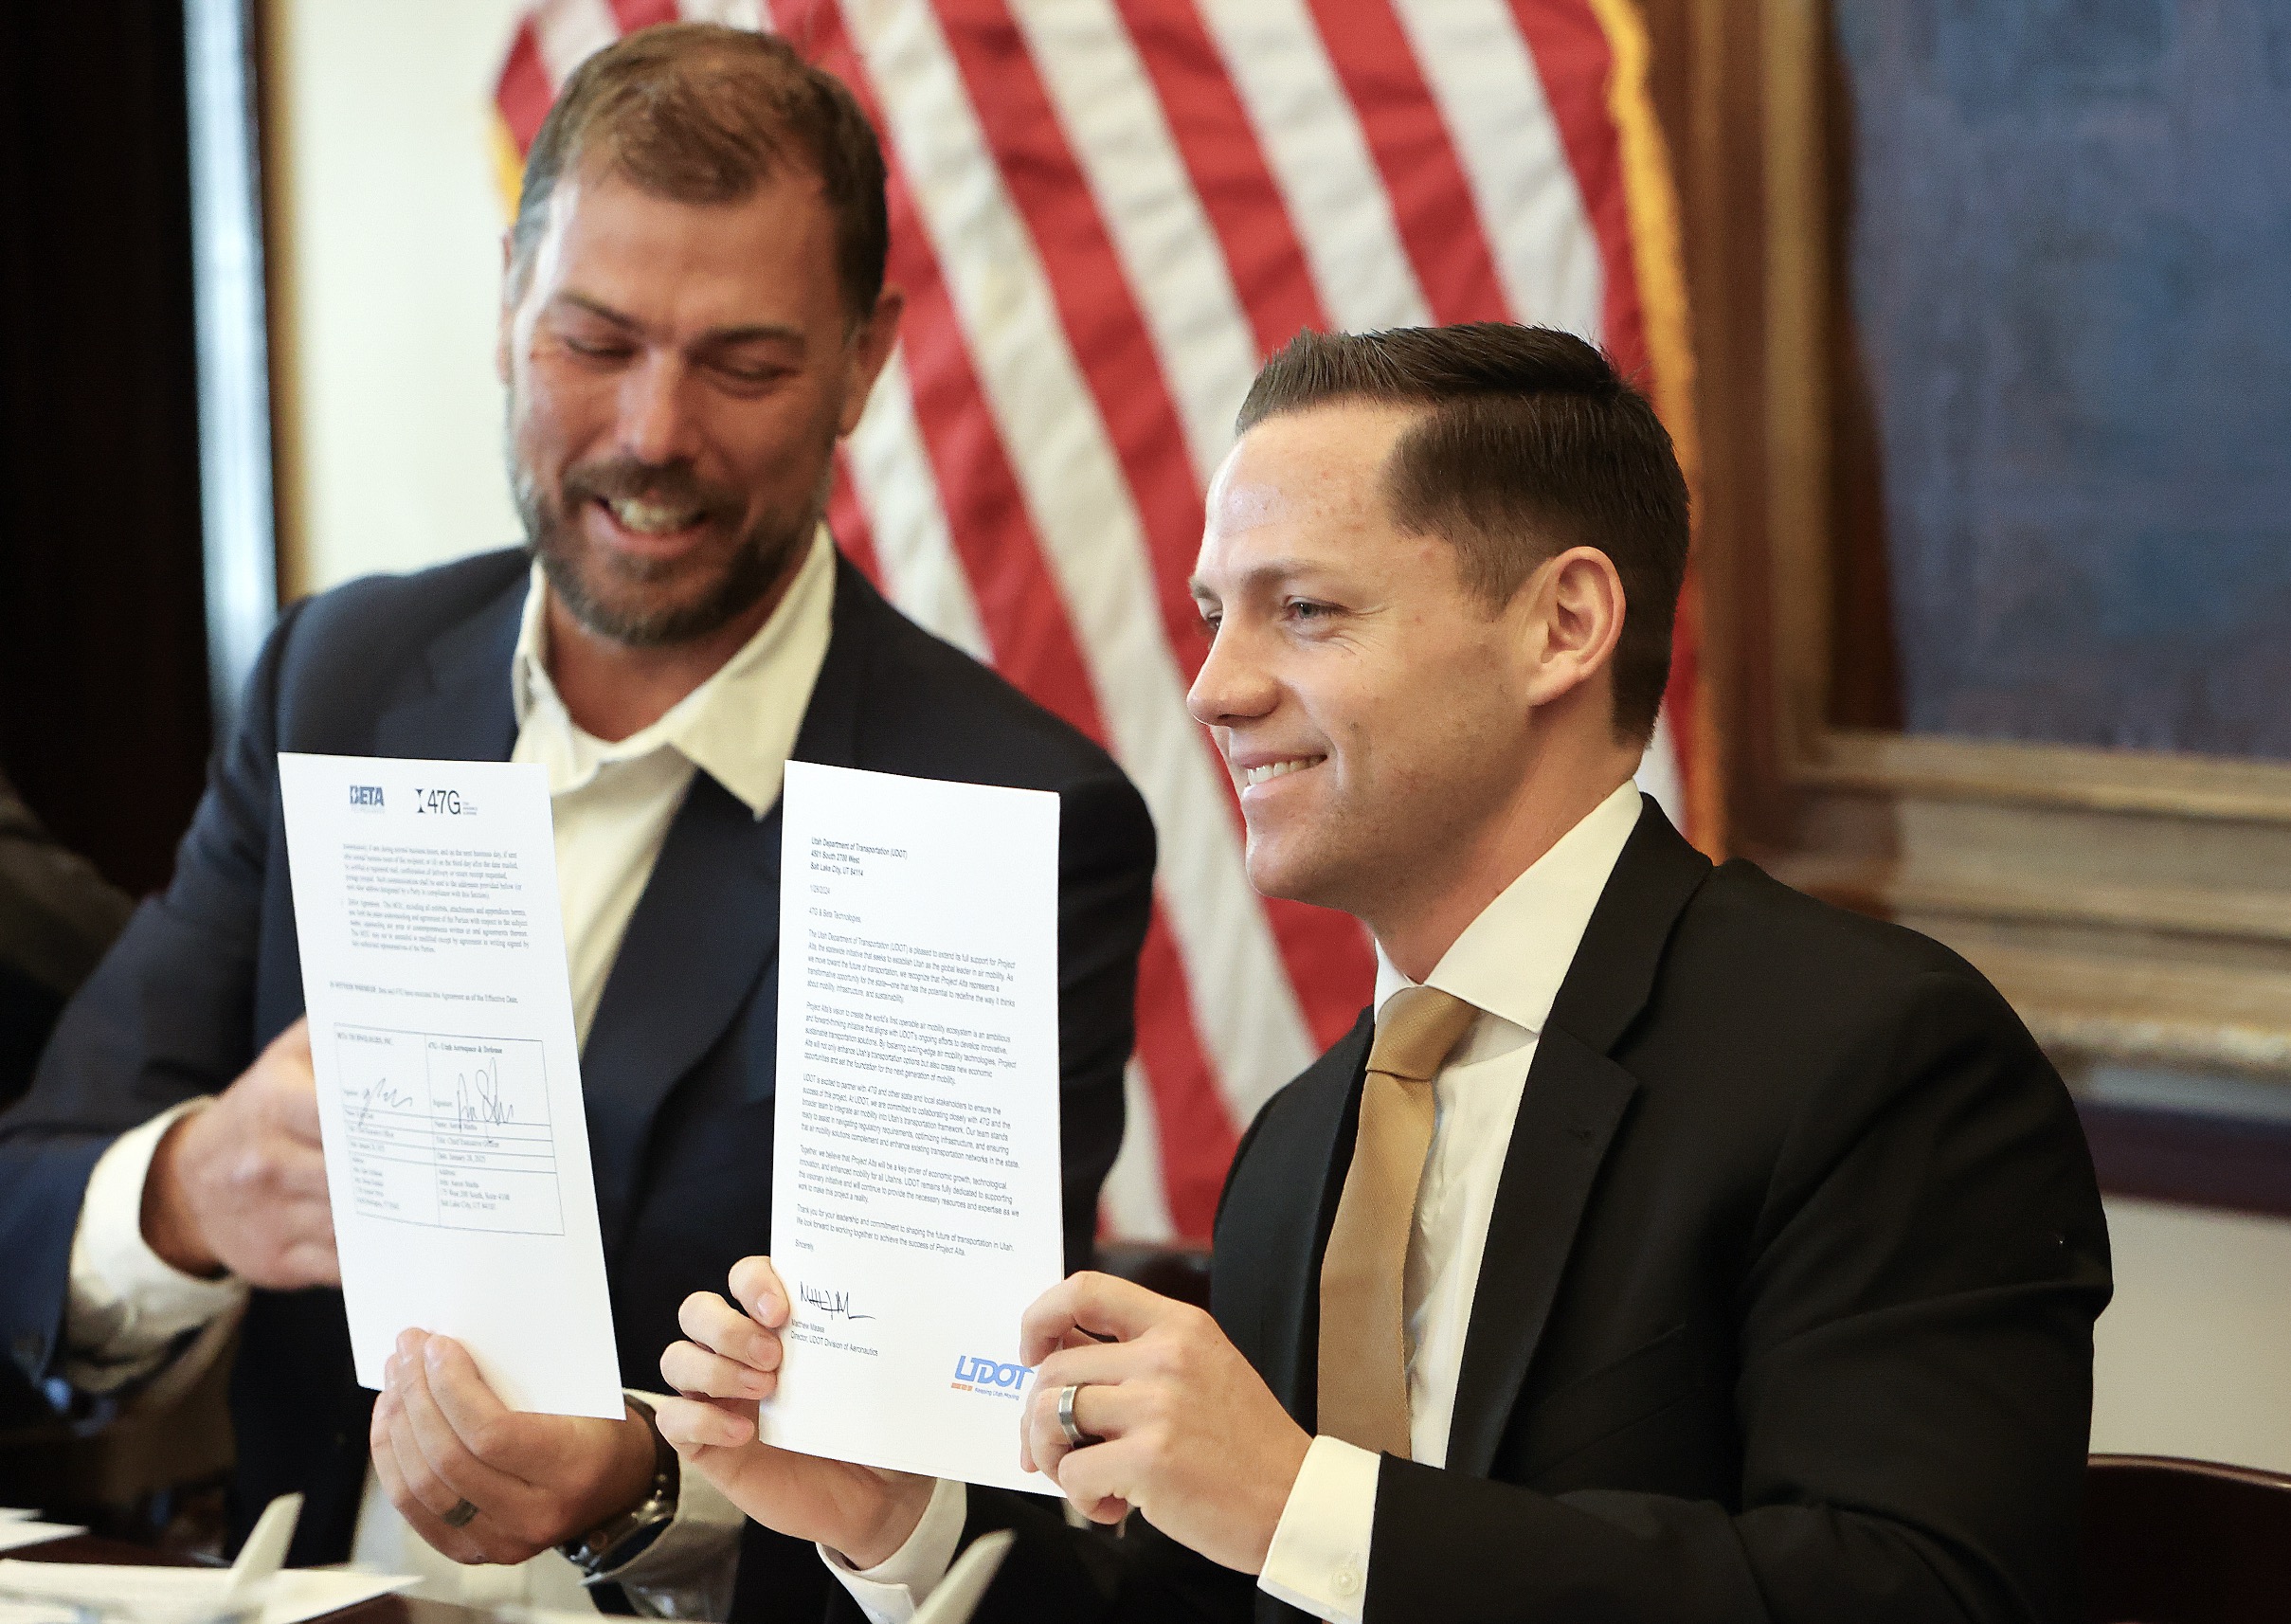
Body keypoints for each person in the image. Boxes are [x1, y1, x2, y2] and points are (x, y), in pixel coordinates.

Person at [656, 323, 2114, 1624]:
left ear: (1562, 624)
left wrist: (1299, 1500)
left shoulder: (1876, 1058)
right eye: (1211, 612)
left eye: (1305, 610)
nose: (1214, 687)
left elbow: (1920, 1590)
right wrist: (890, 1521)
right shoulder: (1300, 1142)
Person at [0, 24, 1154, 1619]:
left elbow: (970, 1488)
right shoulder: (336, 674)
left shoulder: (1000, 809)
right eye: (593, 343)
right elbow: (26, 1200)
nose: (650, 433)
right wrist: (186, 1193)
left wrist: (646, 1490)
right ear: (504, 310)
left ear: (864, 363)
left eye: (742, 362)